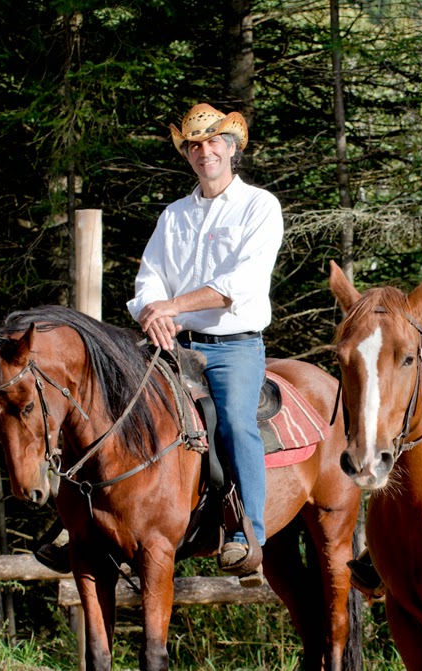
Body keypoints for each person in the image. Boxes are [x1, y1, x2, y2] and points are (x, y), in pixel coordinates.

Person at [126, 103, 284, 586]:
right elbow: (147, 280)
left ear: (232, 148)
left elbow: (238, 283)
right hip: (172, 344)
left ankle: (247, 533)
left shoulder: (260, 206)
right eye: (194, 145)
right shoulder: (173, 216)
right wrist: (155, 312)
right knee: (111, 402)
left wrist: (168, 308)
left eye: (213, 141)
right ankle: (90, 516)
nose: (204, 151)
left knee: (236, 421)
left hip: (233, 345)